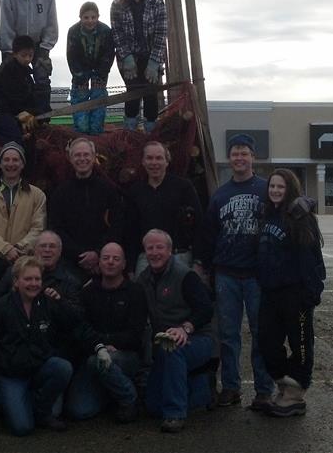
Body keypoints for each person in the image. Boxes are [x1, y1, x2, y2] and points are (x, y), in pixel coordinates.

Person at [0, 257, 111, 436]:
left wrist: (99, 347)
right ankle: (1, 401)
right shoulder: (0, 308)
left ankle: (42, 412)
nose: (33, 284)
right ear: (16, 281)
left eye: (37, 279)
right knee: (22, 428)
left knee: (62, 367)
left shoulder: (50, 302)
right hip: (11, 375)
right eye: (28, 279)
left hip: (39, 366)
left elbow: (77, 325)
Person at [197, 133, 274, 410]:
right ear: (229, 158)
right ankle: (231, 387)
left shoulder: (266, 190)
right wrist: (205, 266)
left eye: (244, 153)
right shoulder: (220, 194)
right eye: (235, 153)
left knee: (260, 334)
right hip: (226, 274)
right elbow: (209, 234)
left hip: (257, 275)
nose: (239, 158)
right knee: (229, 336)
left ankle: (264, 389)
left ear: (253, 157)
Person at [256, 169, 326, 417]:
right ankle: (284, 384)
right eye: (272, 186)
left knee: (301, 345)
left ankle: (295, 395)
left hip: (296, 294)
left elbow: (310, 257)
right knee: (266, 342)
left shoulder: (299, 217)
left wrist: (311, 293)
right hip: (270, 293)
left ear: (290, 189)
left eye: (280, 187)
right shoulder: (267, 214)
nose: (275, 190)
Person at [137, 229, 213, 433]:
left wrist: (185, 328)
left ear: (169, 250)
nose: (155, 252)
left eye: (159, 247)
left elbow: (206, 309)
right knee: (153, 407)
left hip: (198, 339)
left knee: (173, 349)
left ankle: (175, 414)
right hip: (163, 345)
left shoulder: (185, 275)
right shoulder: (143, 280)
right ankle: (201, 388)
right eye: (150, 248)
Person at [65, 242, 146, 423]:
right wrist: (100, 346)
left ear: (124, 264)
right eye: (106, 258)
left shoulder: (135, 292)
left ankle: (129, 398)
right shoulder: (87, 292)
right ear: (99, 263)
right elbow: (82, 329)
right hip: (94, 353)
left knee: (98, 361)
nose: (110, 262)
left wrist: (110, 343)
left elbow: (136, 333)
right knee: (79, 411)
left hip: (126, 355)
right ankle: (111, 393)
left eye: (116, 259)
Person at [0, 141, 46, 310]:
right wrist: (6, 249)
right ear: (0, 164)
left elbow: (38, 228)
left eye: (15, 160)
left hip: (24, 271)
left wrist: (19, 249)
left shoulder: (37, 195)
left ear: (22, 164)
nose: (11, 164)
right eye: (6, 160)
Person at [48, 137, 123, 281]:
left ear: (94, 157)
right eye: (77, 155)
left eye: (86, 155)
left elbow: (117, 225)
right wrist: (80, 255)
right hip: (70, 261)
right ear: (70, 159)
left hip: (104, 260)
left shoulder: (108, 190)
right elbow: (56, 228)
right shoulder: (60, 192)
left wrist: (98, 253)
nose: (82, 159)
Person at [125, 141, 202, 275]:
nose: (154, 162)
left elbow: (199, 224)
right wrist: (130, 268)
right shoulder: (135, 191)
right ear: (143, 162)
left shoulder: (184, 188)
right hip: (146, 258)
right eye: (149, 158)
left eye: (159, 158)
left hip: (179, 257)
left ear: (167, 161)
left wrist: (198, 261)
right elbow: (130, 231)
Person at [110, 0, 168, 132]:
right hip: (128, 57)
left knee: (151, 95)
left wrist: (154, 61)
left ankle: (150, 131)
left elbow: (161, 33)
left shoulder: (156, 2)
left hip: (151, 55)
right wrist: (127, 57)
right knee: (133, 93)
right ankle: (130, 131)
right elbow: (117, 33)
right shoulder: (117, 4)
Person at [0, 0, 58, 115]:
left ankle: (42, 117)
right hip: (16, 45)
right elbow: (6, 26)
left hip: (39, 43)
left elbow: (51, 23)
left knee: (42, 77)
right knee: (13, 80)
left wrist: (45, 48)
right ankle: (15, 115)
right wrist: (9, 52)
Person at [0, 230, 82, 314]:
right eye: (43, 246)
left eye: (52, 246)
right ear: (34, 250)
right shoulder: (14, 272)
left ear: (60, 252)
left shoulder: (69, 281)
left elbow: (77, 317)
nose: (47, 250)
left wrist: (59, 302)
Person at [65, 1, 114, 134]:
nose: (90, 21)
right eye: (86, 17)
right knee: (81, 121)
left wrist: (100, 75)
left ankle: (96, 138)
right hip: (80, 76)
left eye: (93, 17)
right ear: (80, 17)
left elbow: (109, 54)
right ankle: (81, 137)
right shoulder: (73, 31)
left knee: (97, 119)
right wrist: (80, 77)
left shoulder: (106, 31)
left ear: (98, 17)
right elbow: (71, 56)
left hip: (99, 76)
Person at [0, 35, 38, 146]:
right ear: (14, 54)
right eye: (23, 55)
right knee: (14, 138)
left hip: (12, 113)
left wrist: (31, 112)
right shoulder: (8, 71)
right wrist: (23, 112)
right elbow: (11, 97)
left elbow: (30, 98)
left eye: (30, 55)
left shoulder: (27, 75)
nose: (27, 59)